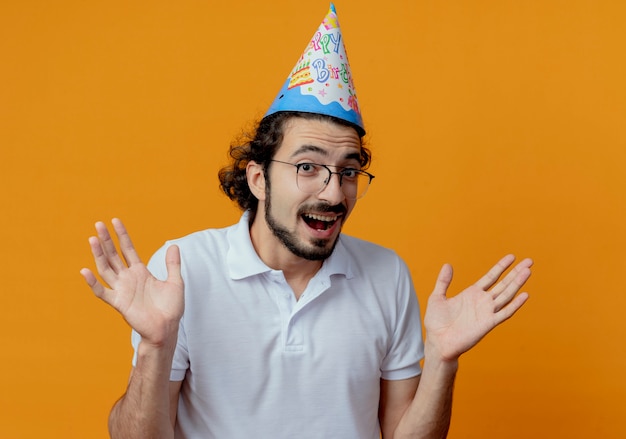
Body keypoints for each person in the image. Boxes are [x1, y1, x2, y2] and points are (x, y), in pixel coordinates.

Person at [80, 5, 532, 439]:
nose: (335, 193)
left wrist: (441, 359)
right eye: (308, 167)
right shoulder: (184, 269)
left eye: (349, 171)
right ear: (258, 178)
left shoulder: (387, 274)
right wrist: (156, 347)